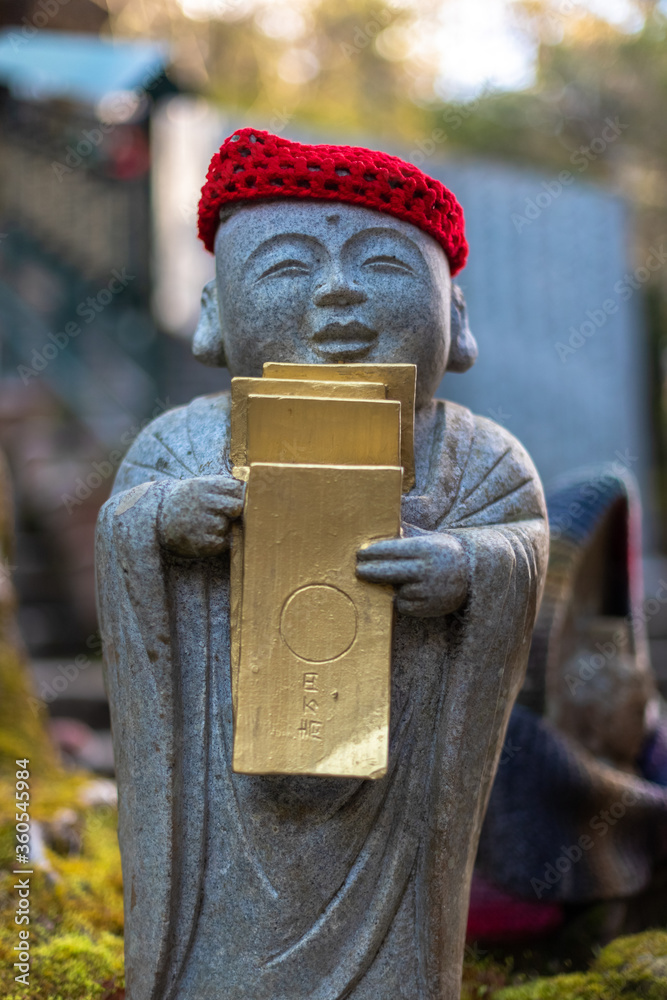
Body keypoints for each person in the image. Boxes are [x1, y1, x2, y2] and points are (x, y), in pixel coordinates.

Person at [96, 128, 548, 1000]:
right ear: (215, 313)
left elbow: (520, 553)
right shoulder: (181, 445)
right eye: (286, 268)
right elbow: (124, 543)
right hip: (227, 796)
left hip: (398, 799)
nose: (337, 293)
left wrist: (468, 569)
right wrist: (156, 525)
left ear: (454, 317)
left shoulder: (482, 460)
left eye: (382, 266)